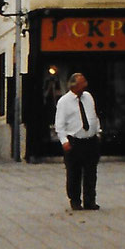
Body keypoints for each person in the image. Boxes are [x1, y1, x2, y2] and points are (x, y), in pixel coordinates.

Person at [54, 71, 102, 210]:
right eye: (83, 83)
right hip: (75, 141)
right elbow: (60, 124)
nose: (85, 85)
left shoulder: (88, 97)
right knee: (74, 173)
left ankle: (90, 200)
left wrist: (98, 132)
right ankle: (75, 200)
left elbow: (93, 115)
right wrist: (64, 141)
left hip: (90, 140)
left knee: (91, 172)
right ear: (74, 86)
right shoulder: (64, 101)